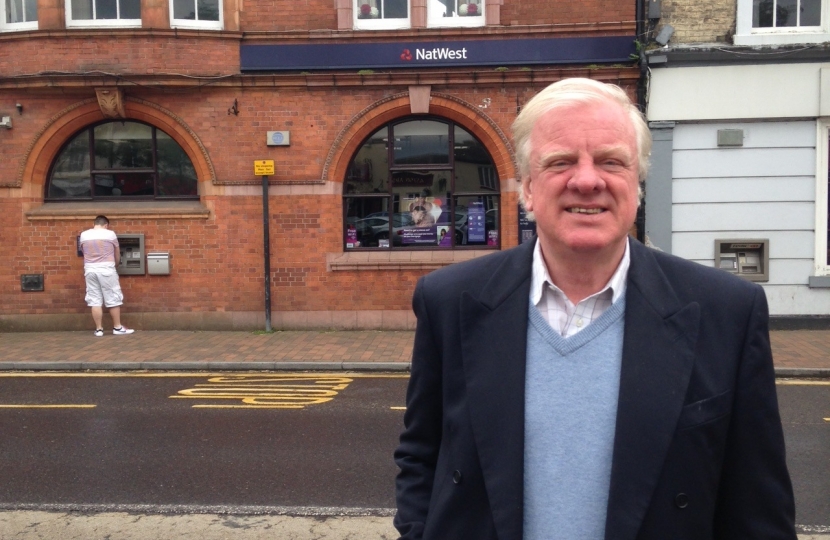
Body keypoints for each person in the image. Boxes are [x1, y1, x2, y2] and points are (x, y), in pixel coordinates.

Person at [394, 78, 796, 540]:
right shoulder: (449, 300)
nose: (587, 180)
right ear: (527, 188)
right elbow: (421, 453)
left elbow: (757, 502)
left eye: (611, 161)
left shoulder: (726, 311)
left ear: (637, 185)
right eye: (561, 162)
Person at [79, 215, 135, 337]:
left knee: (94, 299)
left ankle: (99, 329)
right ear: (106, 225)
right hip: (106, 269)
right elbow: (117, 253)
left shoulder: (84, 235)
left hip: (90, 269)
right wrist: (116, 265)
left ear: (94, 224)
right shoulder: (110, 234)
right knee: (113, 297)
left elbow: (83, 252)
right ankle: (117, 327)